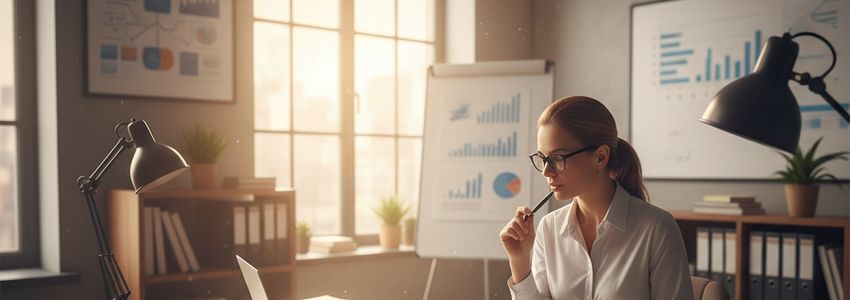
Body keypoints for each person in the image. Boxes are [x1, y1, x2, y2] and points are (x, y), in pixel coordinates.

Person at [500, 96, 693, 299]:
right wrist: (519, 260)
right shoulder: (549, 228)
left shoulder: (657, 229)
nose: (546, 171)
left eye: (557, 158)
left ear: (600, 156)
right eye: (542, 158)